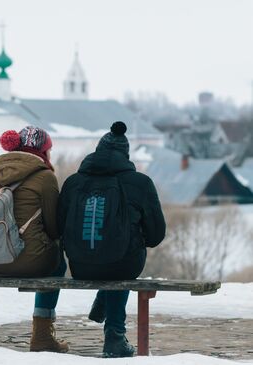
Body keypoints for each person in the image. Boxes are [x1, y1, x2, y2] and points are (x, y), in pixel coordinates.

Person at [57, 121, 166, 358]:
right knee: (120, 258)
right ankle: (115, 335)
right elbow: (156, 235)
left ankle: (103, 303)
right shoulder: (140, 183)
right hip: (124, 265)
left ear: (97, 150)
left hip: (80, 264)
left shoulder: (74, 182)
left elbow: (57, 228)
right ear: (126, 154)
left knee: (113, 253)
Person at [0, 126, 68, 353]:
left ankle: (42, 335)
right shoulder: (45, 177)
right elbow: (53, 228)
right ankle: (42, 336)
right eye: (49, 150)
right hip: (32, 261)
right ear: (42, 151)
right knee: (59, 262)